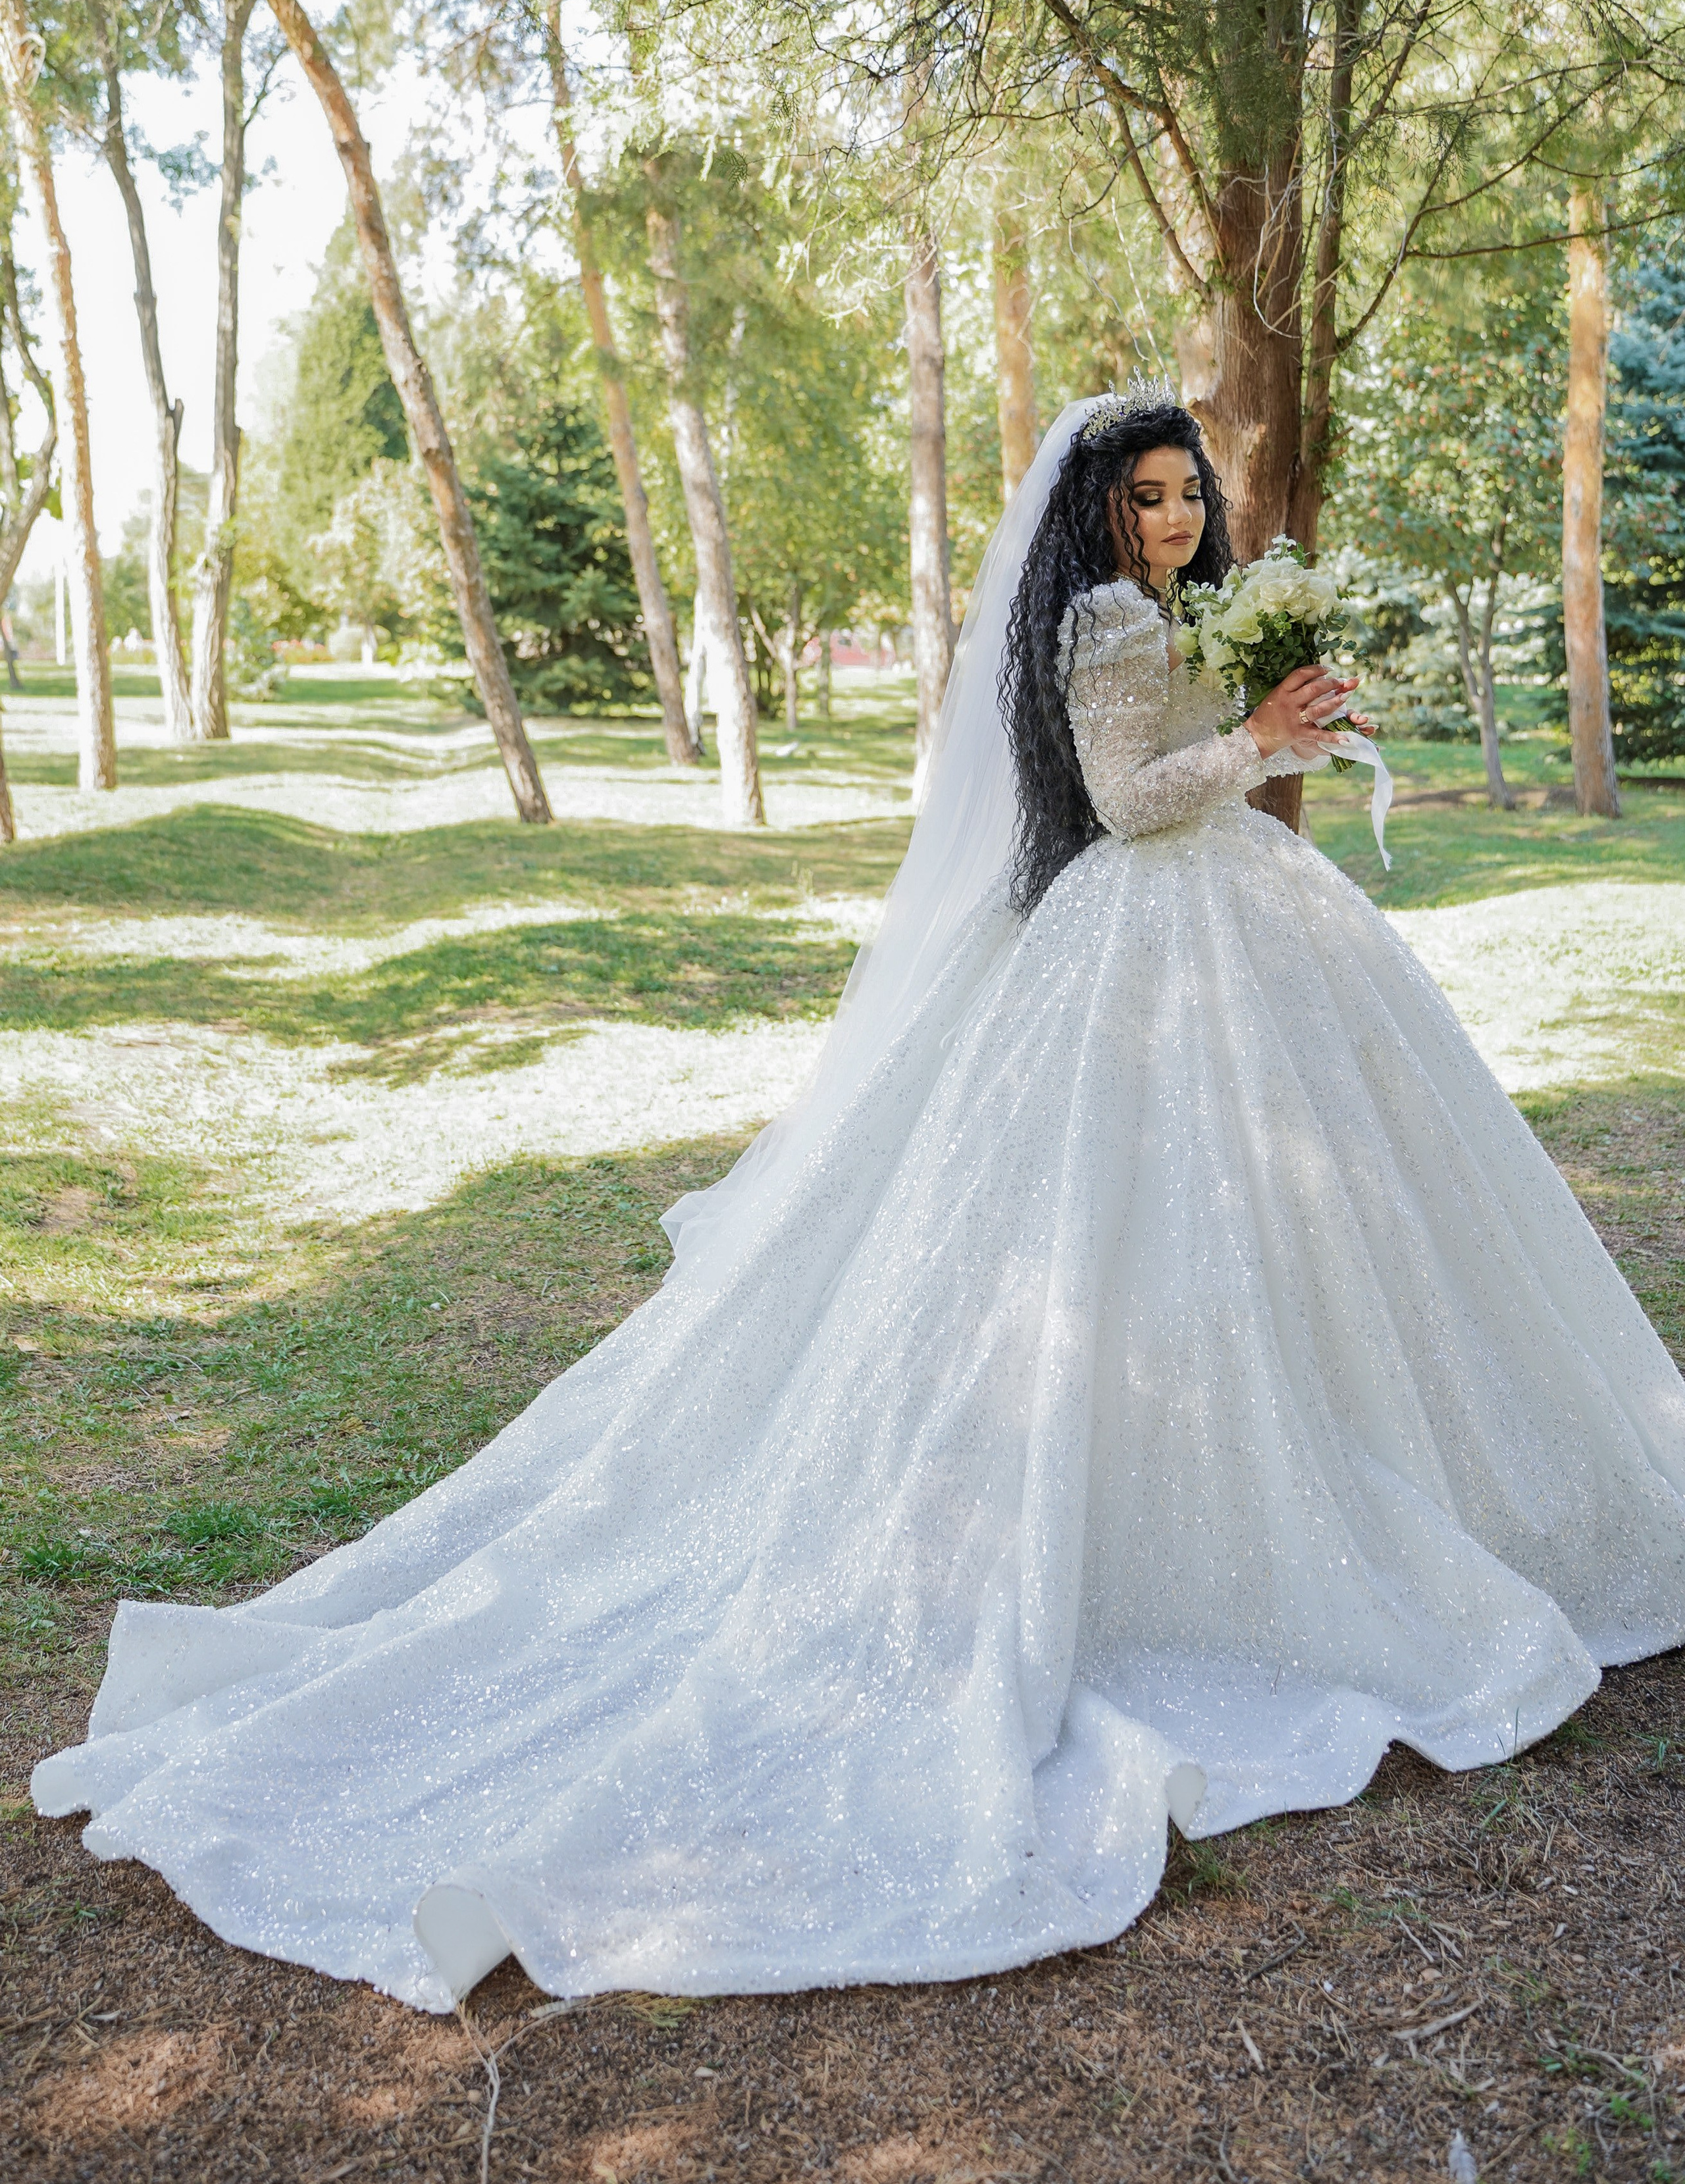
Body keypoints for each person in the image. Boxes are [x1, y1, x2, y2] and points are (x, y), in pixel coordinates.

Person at [34, 390, 1685, 2014]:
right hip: (1142, 942)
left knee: (1282, 1223)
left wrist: (1273, 737)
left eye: (1189, 494)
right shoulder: (1109, 618)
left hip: (1232, 926)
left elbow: (1175, 778)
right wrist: (1247, 744)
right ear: (1095, 512)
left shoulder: (1165, 606)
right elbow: (1123, 803)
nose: (1174, 518)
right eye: (1148, 495)